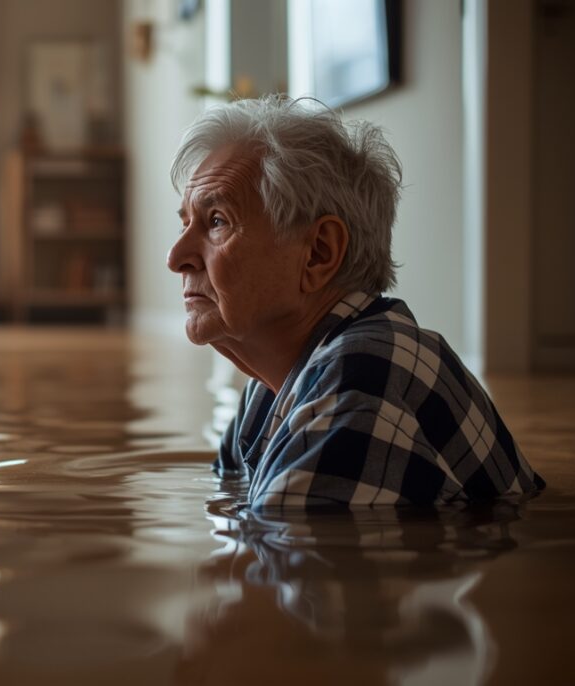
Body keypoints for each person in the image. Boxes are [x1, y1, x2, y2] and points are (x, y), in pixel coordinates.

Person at [167, 96, 545, 508]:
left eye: (217, 221)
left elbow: (282, 543)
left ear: (318, 254)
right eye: (186, 224)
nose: (176, 257)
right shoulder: (270, 390)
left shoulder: (360, 382)